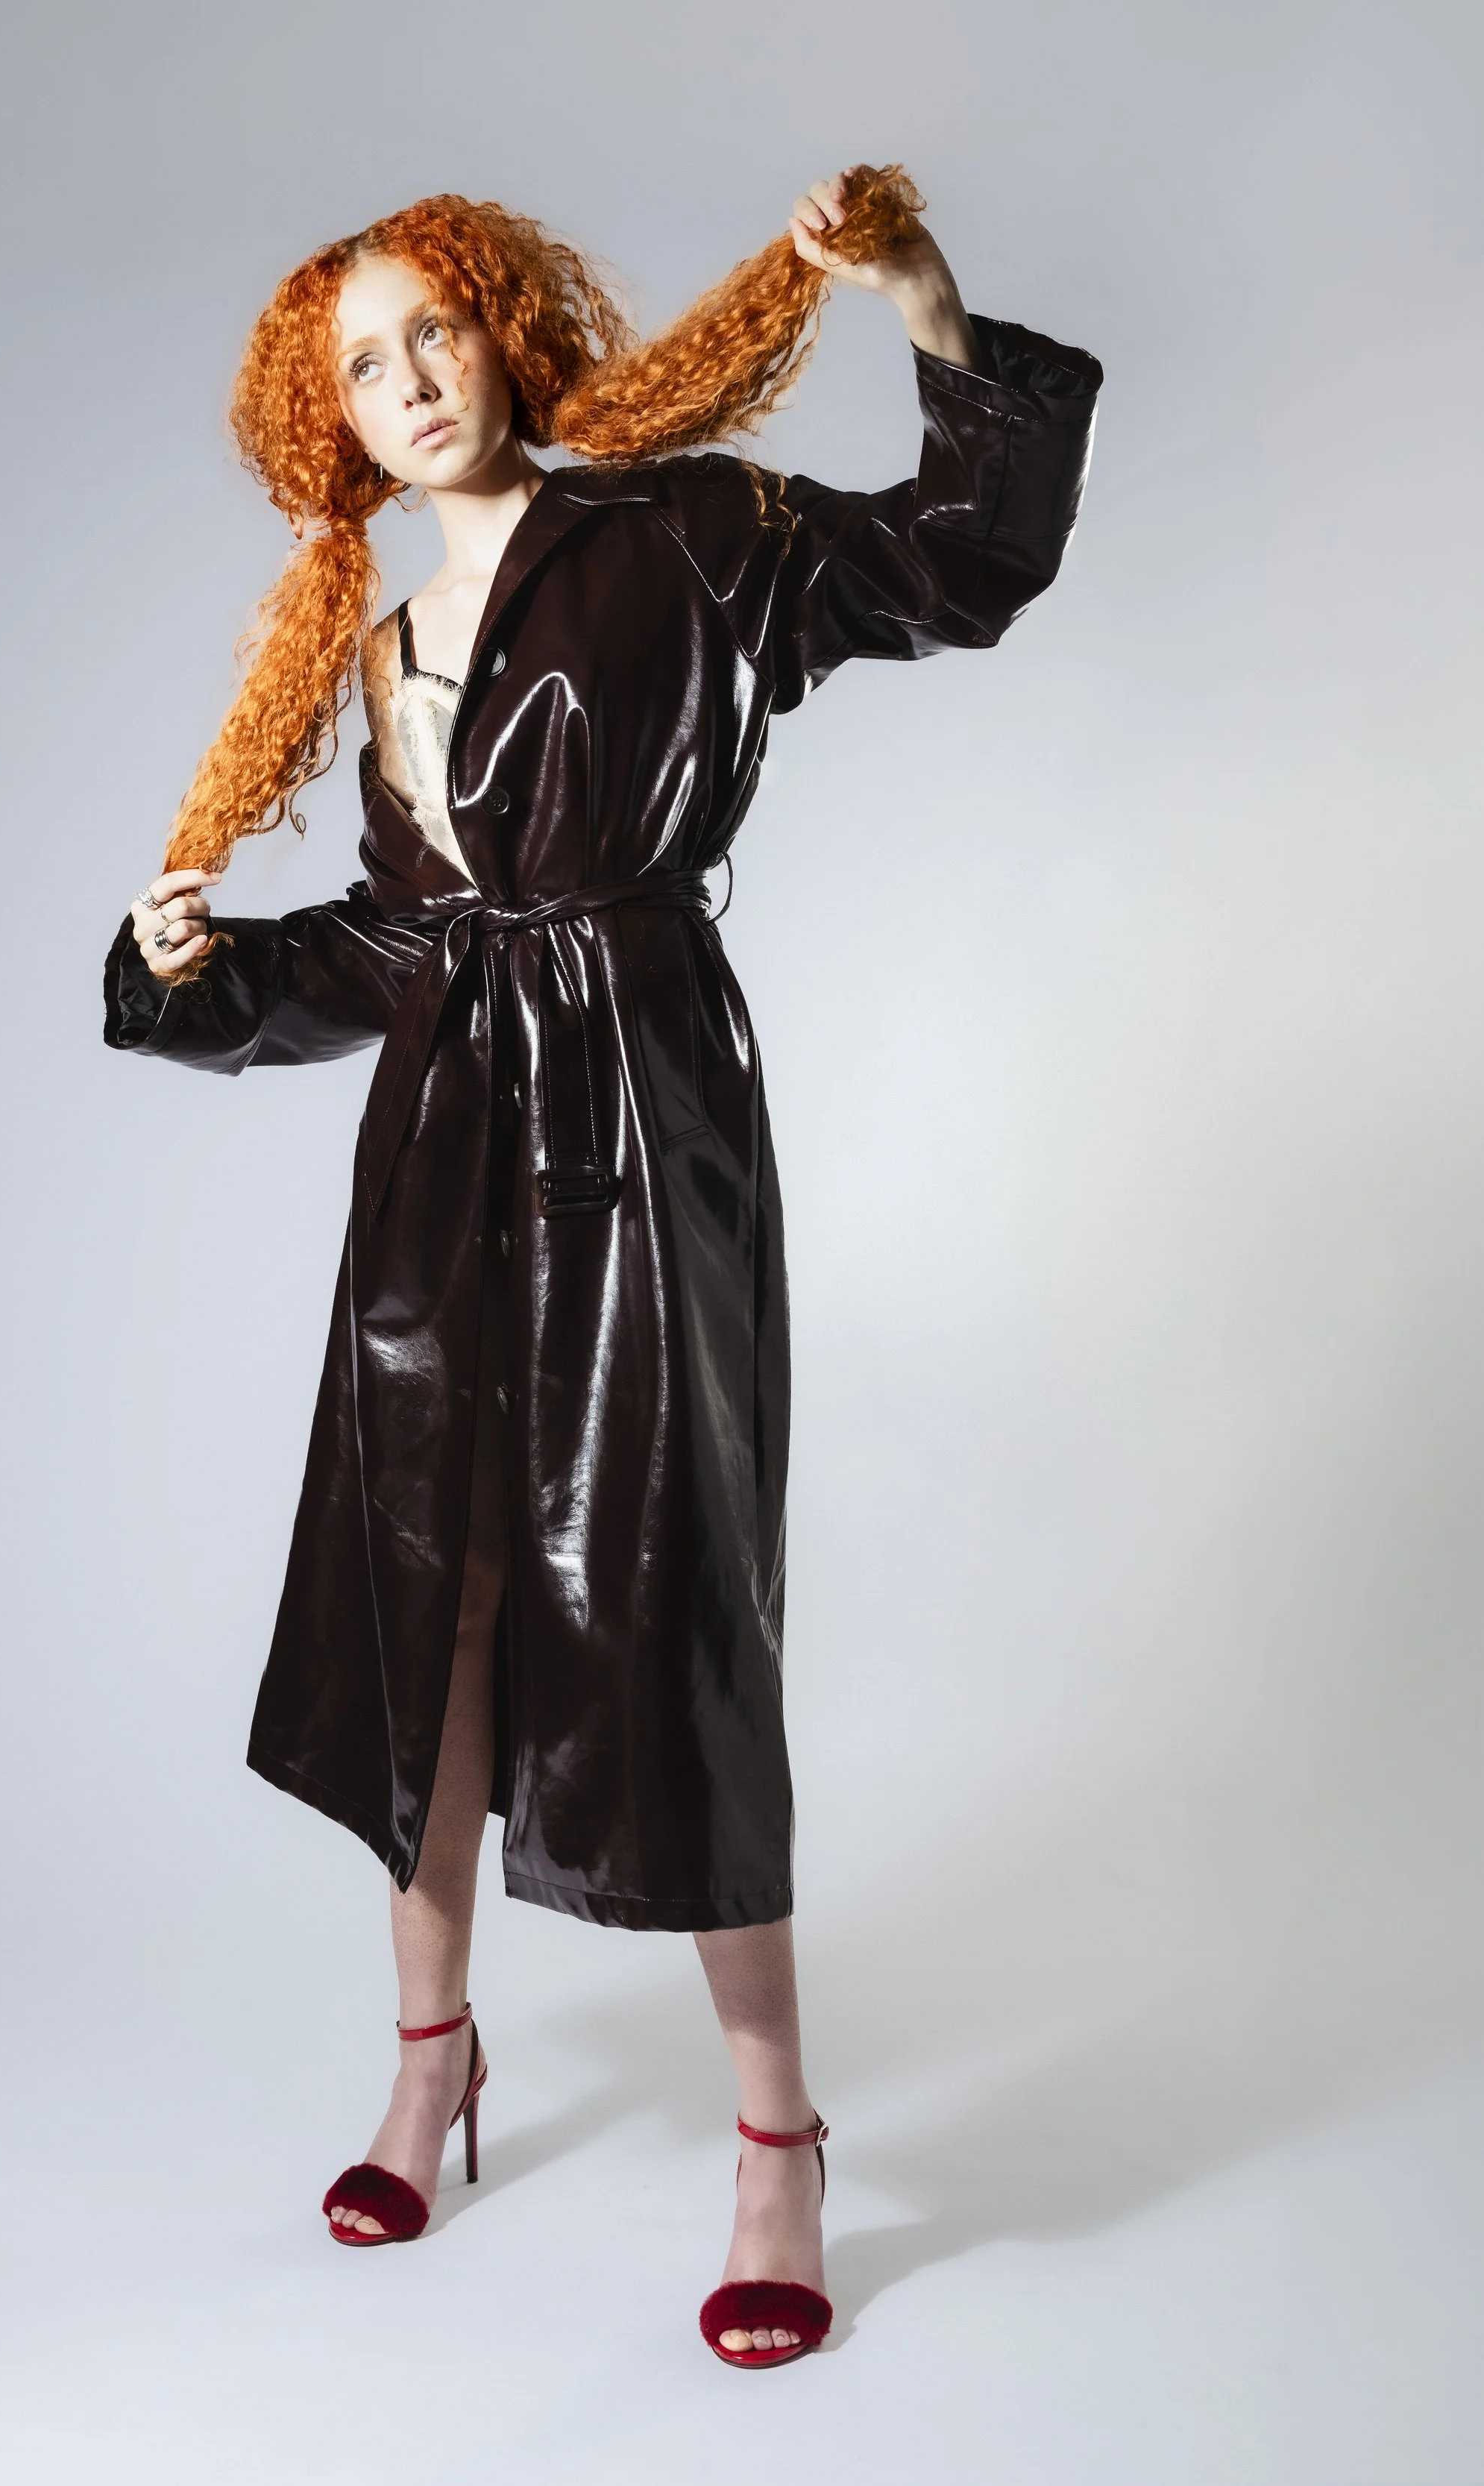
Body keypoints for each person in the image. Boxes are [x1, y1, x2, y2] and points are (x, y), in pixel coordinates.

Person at [104, 166, 1101, 2365]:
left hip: (647, 1130)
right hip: (437, 1167)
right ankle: (429, 2055)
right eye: (360, 368)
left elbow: (965, 561)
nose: (408, 385)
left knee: (667, 1600)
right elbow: (392, 945)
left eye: (431, 333)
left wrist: (925, 301)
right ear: (330, 421)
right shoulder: (368, 657)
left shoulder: (693, 536)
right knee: (422, 1600)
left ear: (504, 329)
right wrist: (191, 966)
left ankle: (775, 2138)